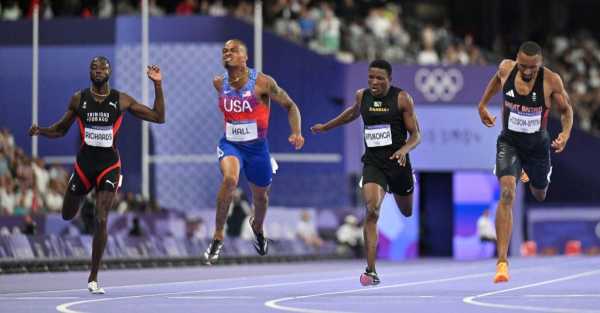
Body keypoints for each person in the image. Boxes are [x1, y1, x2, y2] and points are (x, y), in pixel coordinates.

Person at [28, 56, 165, 294]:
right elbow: (61, 130)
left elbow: (158, 117)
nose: (98, 70)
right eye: (94, 67)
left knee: (102, 218)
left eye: (102, 67)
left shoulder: (121, 100)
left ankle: (93, 277)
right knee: (67, 215)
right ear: (89, 72)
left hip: (109, 166)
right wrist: (41, 130)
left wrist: (158, 85)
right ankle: (83, 197)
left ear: (109, 72)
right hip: (84, 166)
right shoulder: (79, 99)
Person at [311, 59, 421, 286]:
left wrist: (403, 150)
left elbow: (416, 135)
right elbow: (352, 114)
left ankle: (409, 182)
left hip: (398, 163)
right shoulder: (362, 96)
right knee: (371, 210)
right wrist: (326, 126)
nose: (374, 82)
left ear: (390, 79)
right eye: (371, 77)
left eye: (380, 78)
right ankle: (371, 270)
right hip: (373, 163)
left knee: (407, 212)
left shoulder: (402, 99)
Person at [477, 41, 573, 283]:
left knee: (539, 193)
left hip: (538, 146)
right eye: (523, 66)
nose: (527, 71)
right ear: (516, 61)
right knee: (507, 193)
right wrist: (483, 104)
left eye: (532, 67)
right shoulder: (506, 69)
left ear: (540, 64)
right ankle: (502, 263)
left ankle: (538, 176)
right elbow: (497, 81)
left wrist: (566, 134)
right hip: (509, 142)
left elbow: (567, 110)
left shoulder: (551, 81)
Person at [204, 39, 304, 264]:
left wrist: (296, 132)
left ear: (244, 57)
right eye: (224, 51)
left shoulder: (262, 83)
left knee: (261, 197)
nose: (227, 54)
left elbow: (290, 106)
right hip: (230, 144)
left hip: (258, 149)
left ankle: (257, 227)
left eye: (233, 50)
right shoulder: (219, 83)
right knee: (230, 180)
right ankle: (218, 235)